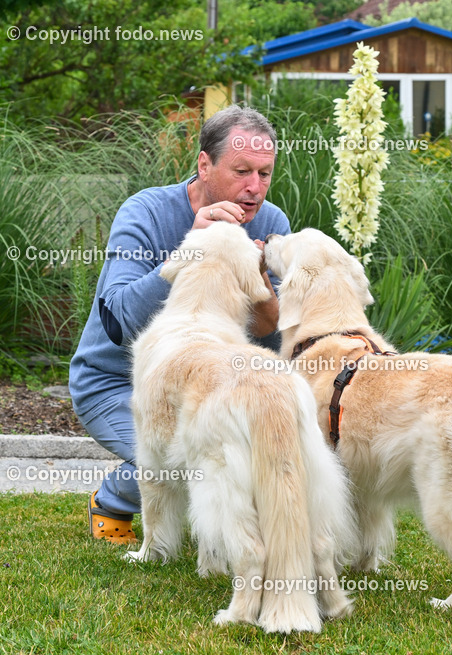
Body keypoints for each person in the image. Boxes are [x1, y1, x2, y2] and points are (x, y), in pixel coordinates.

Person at [69, 105, 291, 544]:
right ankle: (112, 499)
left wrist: (261, 280)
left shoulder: (272, 222)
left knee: (239, 452)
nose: (254, 189)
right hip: (117, 383)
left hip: (208, 384)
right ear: (204, 166)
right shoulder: (146, 212)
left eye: (264, 174)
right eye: (242, 170)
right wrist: (192, 246)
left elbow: (276, 337)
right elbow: (121, 320)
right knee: (184, 457)